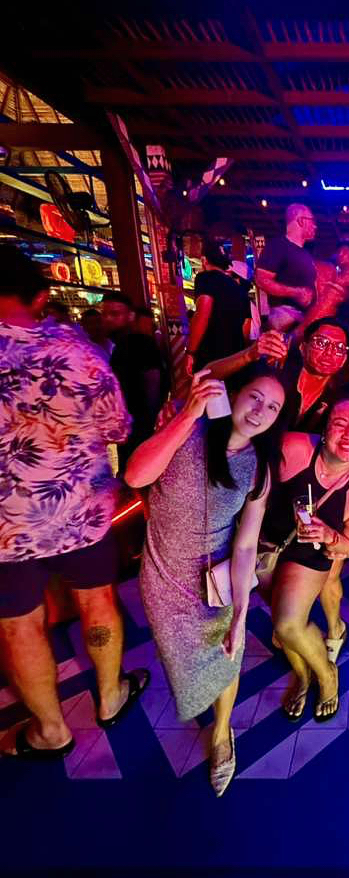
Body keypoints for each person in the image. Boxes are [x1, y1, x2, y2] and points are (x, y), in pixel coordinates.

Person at [0, 246, 147, 760]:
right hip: (81, 510)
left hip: (6, 525)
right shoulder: (76, 351)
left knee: (19, 624)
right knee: (97, 601)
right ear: (41, 297)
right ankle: (110, 697)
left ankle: (49, 730)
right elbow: (118, 426)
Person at [125, 365, 287, 796]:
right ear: (234, 394)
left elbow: (247, 546)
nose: (260, 411)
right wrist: (187, 413)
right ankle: (207, 707)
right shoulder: (188, 431)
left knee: (225, 656)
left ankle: (221, 732)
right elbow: (136, 476)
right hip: (162, 574)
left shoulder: (258, 469)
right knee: (180, 659)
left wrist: (242, 614)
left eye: (273, 407)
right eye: (255, 397)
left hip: (213, 581)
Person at [261, 396, 349, 722]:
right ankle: (302, 674)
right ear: (324, 432)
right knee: (282, 627)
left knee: (288, 623)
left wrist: (329, 536)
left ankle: (327, 674)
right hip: (267, 543)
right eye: (340, 424)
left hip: (309, 554)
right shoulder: (294, 448)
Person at [207, 318, 349, 436]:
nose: (329, 352)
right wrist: (249, 355)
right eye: (321, 343)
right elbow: (207, 376)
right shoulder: (274, 375)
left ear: (343, 359)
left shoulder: (339, 399)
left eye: (339, 348)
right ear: (303, 348)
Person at [102, 291, 167, 469]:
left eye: (115, 314)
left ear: (130, 316)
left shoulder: (139, 343)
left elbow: (153, 380)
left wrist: (150, 422)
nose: (108, 319)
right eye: (105, 314)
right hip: (130, 423)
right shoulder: (119, 346)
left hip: (139, 425)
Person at [185, 240, 251, 373]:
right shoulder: (240, 290)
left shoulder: (205, 278)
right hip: (234, 359)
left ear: (204, 260)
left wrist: (190, 352)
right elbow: (246, 327)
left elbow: (202, 313)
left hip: (211, 357)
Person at [255, 203, 317, 332]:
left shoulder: (305, 253)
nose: (315, 226)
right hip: (285, 317)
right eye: (312, 220)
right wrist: (296, 292)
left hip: (303, 317)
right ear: (301, 220)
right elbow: (261, 280)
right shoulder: (278, 246)